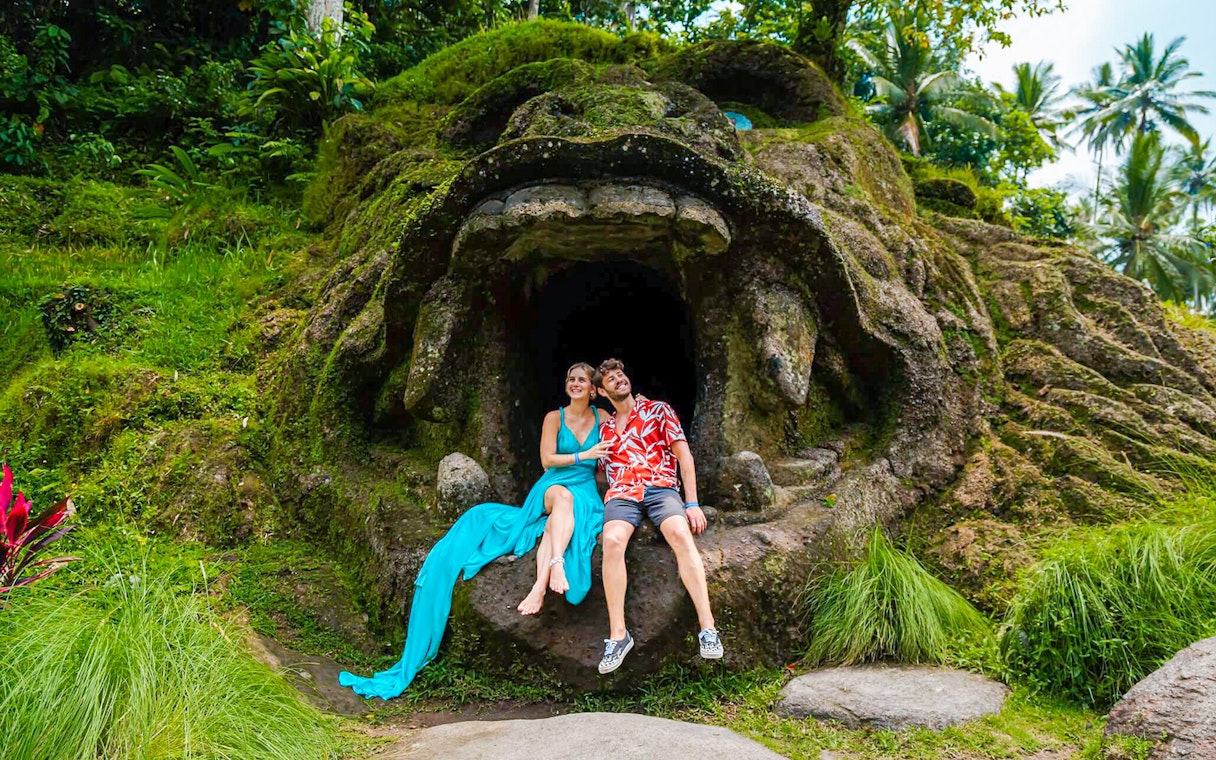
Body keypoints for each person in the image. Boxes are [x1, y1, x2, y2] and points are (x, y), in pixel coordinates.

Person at [338, 363, 610, 700]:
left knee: (567, 511)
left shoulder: (604, 419)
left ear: (593, 388)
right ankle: (555, 564)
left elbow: (615, 458)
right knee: (561, 499)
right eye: (570, 379)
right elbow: (546, 460)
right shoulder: (554, 418)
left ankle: (540, 585)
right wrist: (584, 453)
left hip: (585, 490)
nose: (575, 384)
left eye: (582, 380)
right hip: (553, 485)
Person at [593, 358, 723, 674]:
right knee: (611, 541)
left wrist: (691, 503)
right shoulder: (605, 429)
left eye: (621, 374)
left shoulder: (658, 410)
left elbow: (684, 456)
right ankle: (618, 635)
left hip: (660, 487)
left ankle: (708, 628)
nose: (618, 379)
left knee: (679, 533)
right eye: (610, 378)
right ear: (601, 391)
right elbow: (599, 474)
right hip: (623, 494)